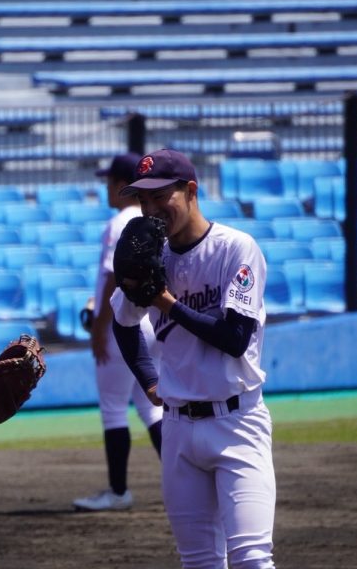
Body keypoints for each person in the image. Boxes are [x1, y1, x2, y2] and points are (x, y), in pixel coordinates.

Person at [111, 149, 276, 568]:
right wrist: (149, 380)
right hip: (178, 429)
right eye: (142, 200)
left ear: (190, 191)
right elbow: (122, 321)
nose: (150, 209)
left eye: (159, 196)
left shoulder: (235, 248)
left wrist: (166, 303)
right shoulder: (154, 257)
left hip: (237, 423)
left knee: (252, 559)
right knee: (199, 562)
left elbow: (235, 338)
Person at [73, 152, 164, 512]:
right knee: (151, 407)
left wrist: (99, 327)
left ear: (123, 185)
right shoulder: (151, 219)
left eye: (109, 182)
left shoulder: (119, 223)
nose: (106, 188)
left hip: (122, 323)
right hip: (151, 323)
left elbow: (114, 275)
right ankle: (186, 475)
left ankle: (118, 491)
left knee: (113, 409)